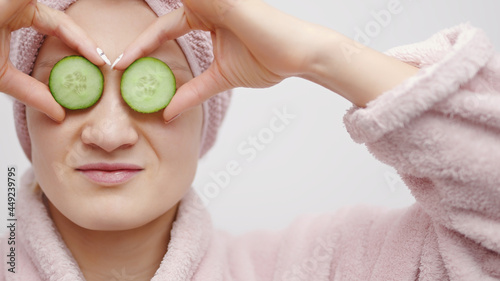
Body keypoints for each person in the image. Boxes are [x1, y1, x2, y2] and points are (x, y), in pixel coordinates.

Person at [1, 0, 499, 280]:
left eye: (158, 84)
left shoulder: (323, 266)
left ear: (207, 109)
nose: (109, 133)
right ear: (21, 102)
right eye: (68, 83)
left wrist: (318, 55)